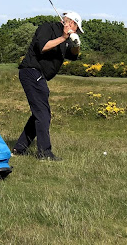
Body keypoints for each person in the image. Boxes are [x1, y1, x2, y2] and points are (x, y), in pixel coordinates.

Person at [12, 11, 83, 161]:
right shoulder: (48, 28)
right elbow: (43, 47)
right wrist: (63, 37)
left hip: (40, 76)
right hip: (31, 72)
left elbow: (74, 55)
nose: (76, 31)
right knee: (43, 114)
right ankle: (44, 153)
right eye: (76, 28)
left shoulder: (67, 38)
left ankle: (20, 148)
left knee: (39, 113)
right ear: (71, 23)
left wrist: (76, 43)